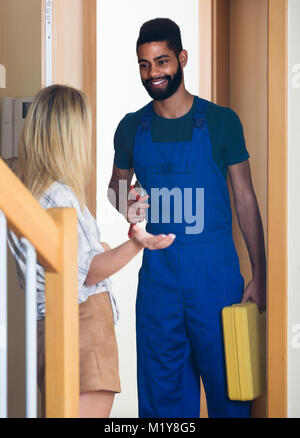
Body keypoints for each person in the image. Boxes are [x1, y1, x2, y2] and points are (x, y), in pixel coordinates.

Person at [108, 18, 266, 418]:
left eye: (161, 62)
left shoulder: (220, 122)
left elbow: (245, 200)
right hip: (159, 285)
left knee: (231, 396)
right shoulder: (131, 127)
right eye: (144, 64)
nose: (153, 73)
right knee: (163, 405)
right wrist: (134, 211)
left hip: (216, 283)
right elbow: (115, 189)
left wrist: (261, 277)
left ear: (182, 58)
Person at [7, 84, 175, 418]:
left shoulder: (27, 191)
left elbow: (75, 258)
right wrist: (136, 244)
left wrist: (107, 246)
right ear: (70, 137)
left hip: (52, 325)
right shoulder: (60, 196)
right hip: (83, 324)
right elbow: (87, 271)